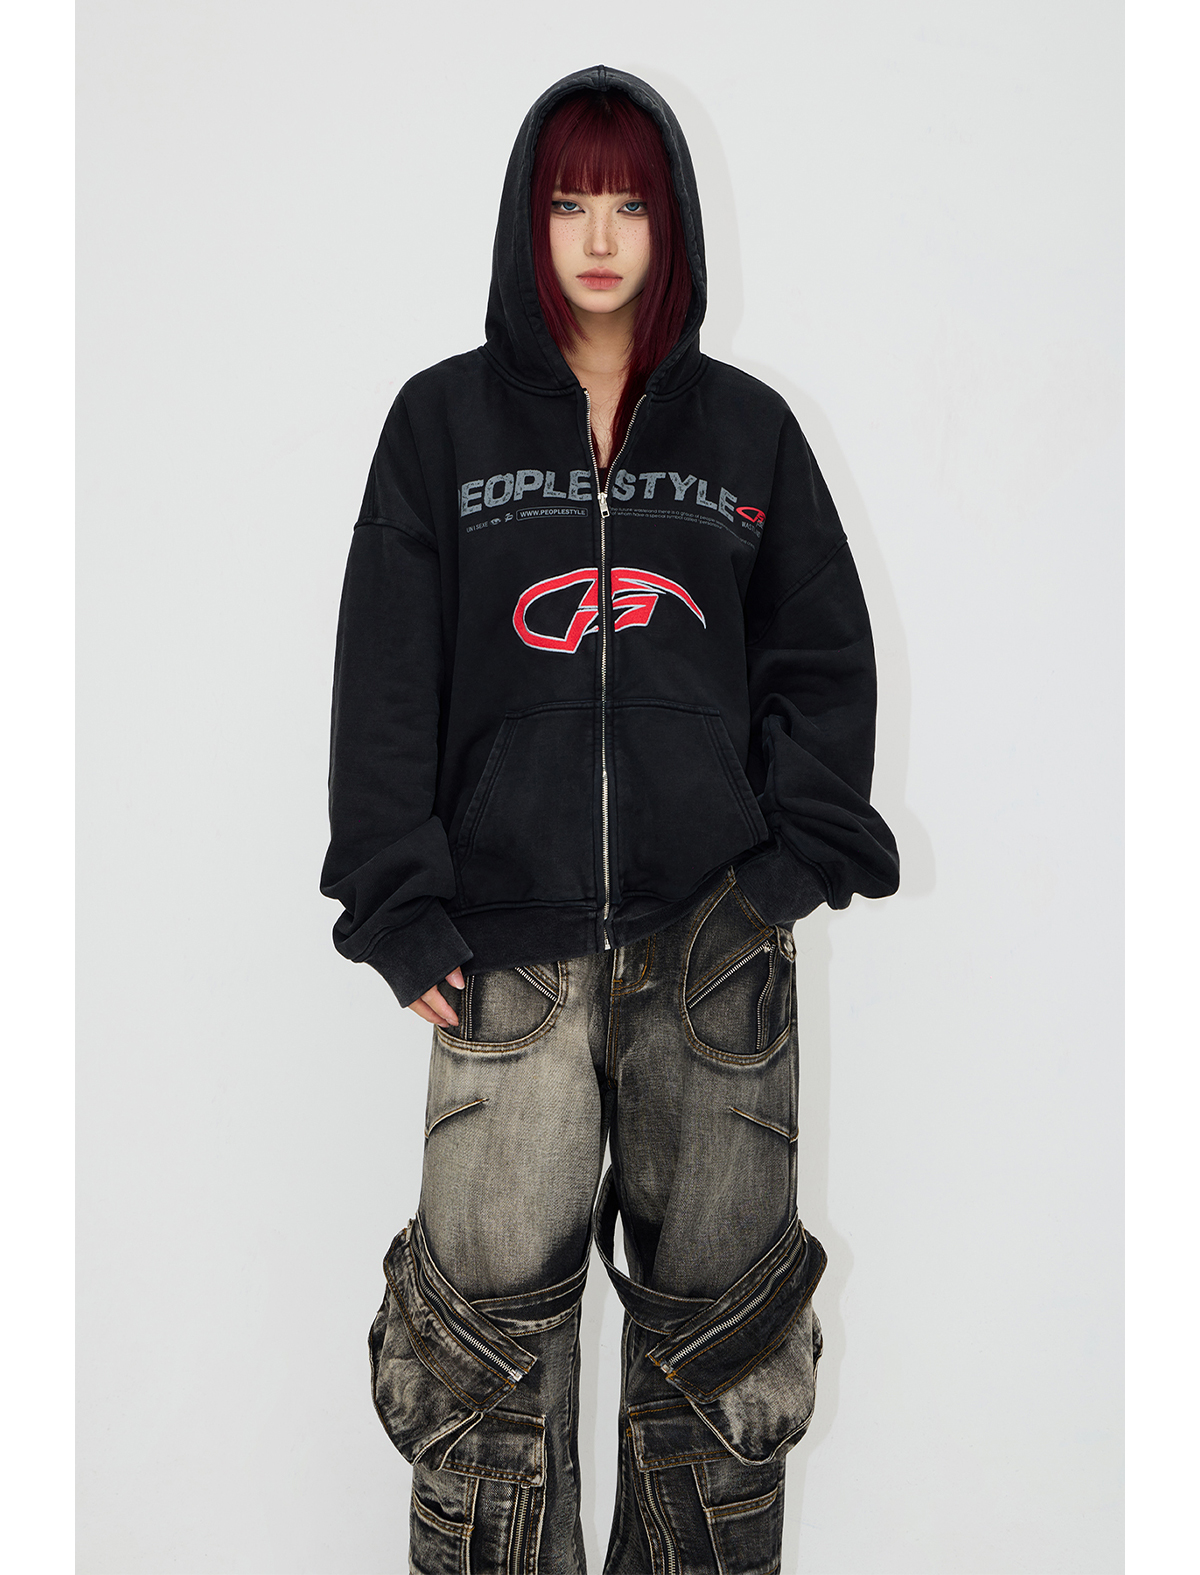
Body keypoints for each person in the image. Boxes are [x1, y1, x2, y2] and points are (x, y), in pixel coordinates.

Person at [321, 63, 898, 1575]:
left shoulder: (749, 434)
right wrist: (401, 904)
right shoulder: (439, 427)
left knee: (720, 1361)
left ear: (670, 226)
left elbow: (823, 661)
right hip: (498, 958)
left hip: (714, 956)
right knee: (482, 1371)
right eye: (569, 202)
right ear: (528, 220)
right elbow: (385, 678)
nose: (596, 238)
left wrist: (779, 876)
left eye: (627, 205)